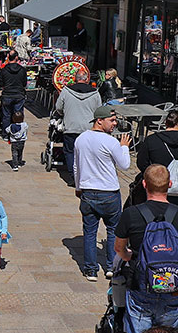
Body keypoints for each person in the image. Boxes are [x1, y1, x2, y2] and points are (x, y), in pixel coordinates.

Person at [114, 165, 178, 333]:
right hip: (173, 287)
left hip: (141, 285)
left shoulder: (131, 214)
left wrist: (129, 256)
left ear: (144, 184)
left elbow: (119, 248)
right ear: (170, 184)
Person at [74, 107, 131, 281]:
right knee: (113, 230)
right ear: (99, 120)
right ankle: (111, 267)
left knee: (90, 232)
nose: (115, 124)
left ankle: (90, 269)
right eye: (111, 120)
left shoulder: (81, 139)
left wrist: (78, 187)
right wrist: (124, 147)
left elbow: (76, 166)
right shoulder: (111, 142)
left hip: (88, 191)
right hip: (109, 192)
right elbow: (125, 164)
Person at [131, 110, 178, 208]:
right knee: (176, 214)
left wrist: (152, 176)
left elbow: (141, 163)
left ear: (165, 123)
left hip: (155, 188)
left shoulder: (151, 140)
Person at [56, 69, 102, 184]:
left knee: (70, 152)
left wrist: (65, 114)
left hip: (71, 127)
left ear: (75, 79)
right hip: (88, 128)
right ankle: (86, 175)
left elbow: (59, 107)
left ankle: (73, 176)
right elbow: (99, 111)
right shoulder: (95, 93)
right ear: (87, 79)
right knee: (87, 153)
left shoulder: (66, 91)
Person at [0, 50, 27, 137]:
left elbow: (1, 84)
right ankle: (17, 133)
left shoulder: (4, 70)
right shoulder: (22, 70)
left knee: (6, 115)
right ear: (16, 57)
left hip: (7, 95)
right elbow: (24, 83)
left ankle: (6, 134)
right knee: (18, 115)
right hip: (19, 95)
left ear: (8, 57)